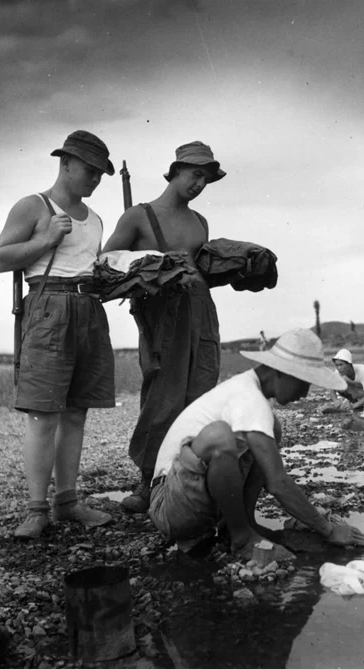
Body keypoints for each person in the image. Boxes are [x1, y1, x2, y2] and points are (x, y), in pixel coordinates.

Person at [147, 328, 364, 560]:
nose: (306, 393)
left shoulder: (250, 395)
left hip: (189, 502)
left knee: (271, 430)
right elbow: (277, 482)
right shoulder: (248, 397)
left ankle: (243, 525)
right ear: (281, 373)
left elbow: (270, 477)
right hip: (168, 505)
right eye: (304, 382)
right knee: (219, 437)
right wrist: (328, 531)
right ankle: (241, 539)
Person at [0, 130, 116, 539]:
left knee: (76, 411)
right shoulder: (34, 205)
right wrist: (46, 237)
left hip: (89, 308)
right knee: (44, 414)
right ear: (65, 163)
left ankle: (67, 503)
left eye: (101, 172)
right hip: (48, 305)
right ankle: (35, 510)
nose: (96, 178)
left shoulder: (96, 219)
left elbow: (90, 266)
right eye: (89, 169)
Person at [101, 141, 225, 514]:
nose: (199, 184)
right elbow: (107, 265)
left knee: (201, 390)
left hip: (202, 311)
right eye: (194, 174)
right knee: (162, 394)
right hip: (160, 314)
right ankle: (147, 480)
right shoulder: (138, 217)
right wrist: (147, 268)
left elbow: (203, 271)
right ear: (176, 171)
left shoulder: (200, 221)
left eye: (206, 178)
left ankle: (185, 476)